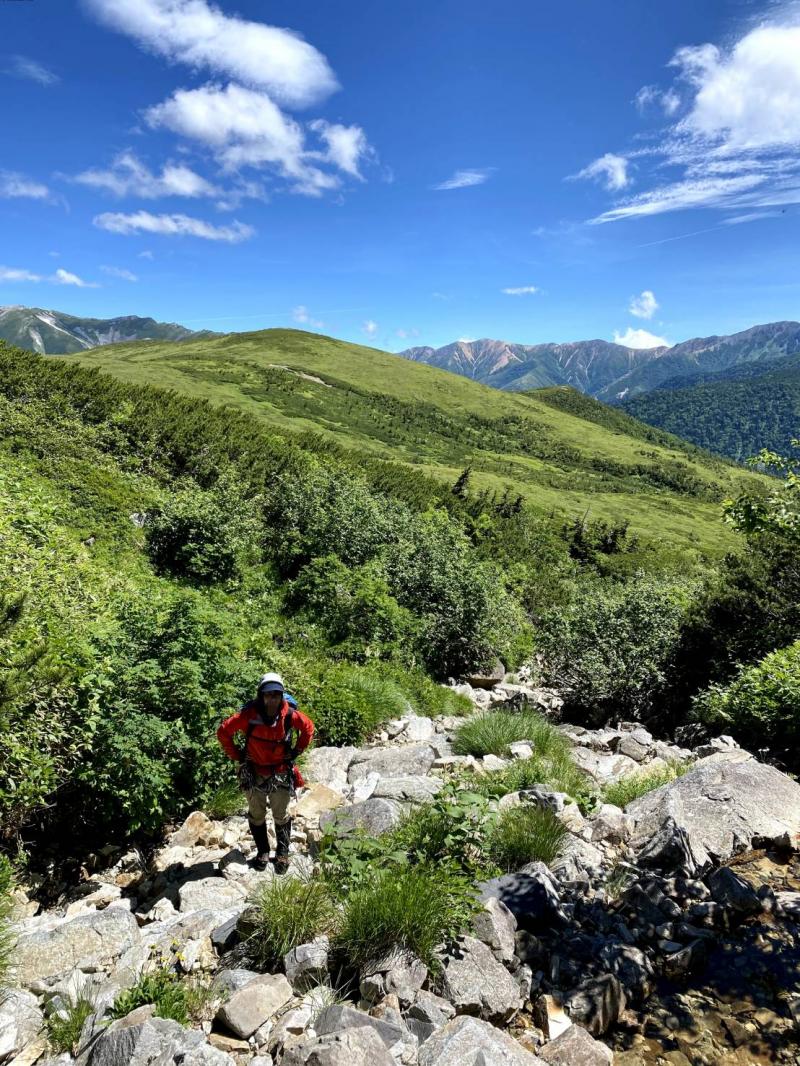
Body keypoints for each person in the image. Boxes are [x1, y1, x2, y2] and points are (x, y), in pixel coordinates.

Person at [217, 672, 314, 873]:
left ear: (281, 696)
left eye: (276, 695)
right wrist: (238, 755)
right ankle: (263, 851)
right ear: (261, 695)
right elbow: (224, 731)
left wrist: (295, 751)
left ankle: (283, 853)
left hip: (279, 771)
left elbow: (308, 728)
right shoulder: (248, 716)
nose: (272, 699)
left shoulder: (289, 715)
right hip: (253, 771)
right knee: (256, 814)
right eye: (268, 695)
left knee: (281, 814)